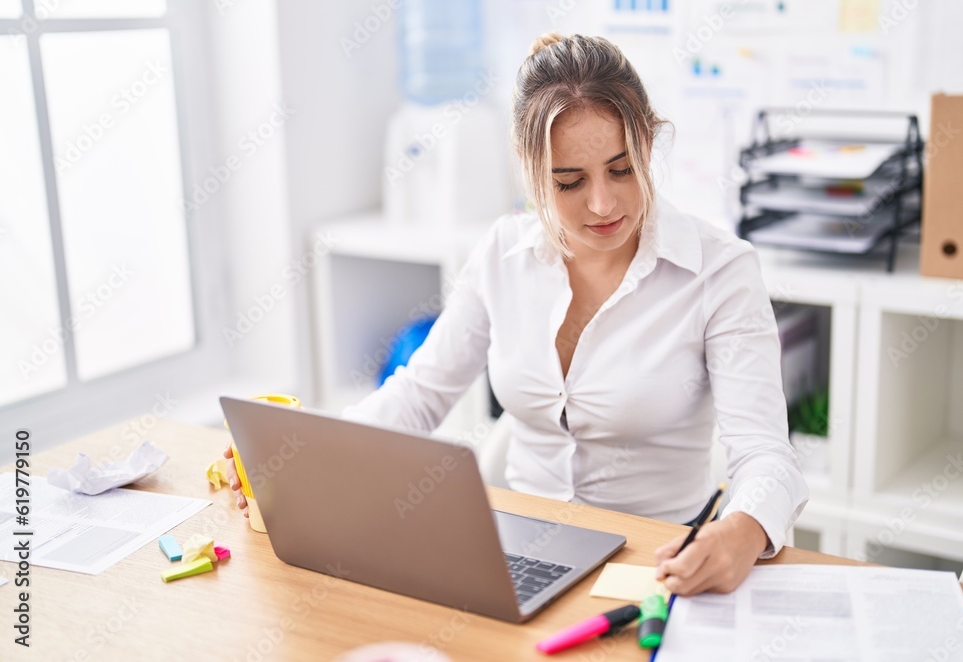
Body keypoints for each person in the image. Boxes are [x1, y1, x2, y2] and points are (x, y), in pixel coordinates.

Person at [226, 32, 808, 596]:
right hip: (512, 556)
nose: (603, 203)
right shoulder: (502, 253)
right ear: (529, 173)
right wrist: (301, 460)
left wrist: (742, 531)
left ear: (650, 145)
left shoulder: (720, 271)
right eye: (568, 181)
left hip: (652, 564)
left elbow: (763, 453)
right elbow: (419, 394)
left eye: (623, 168)